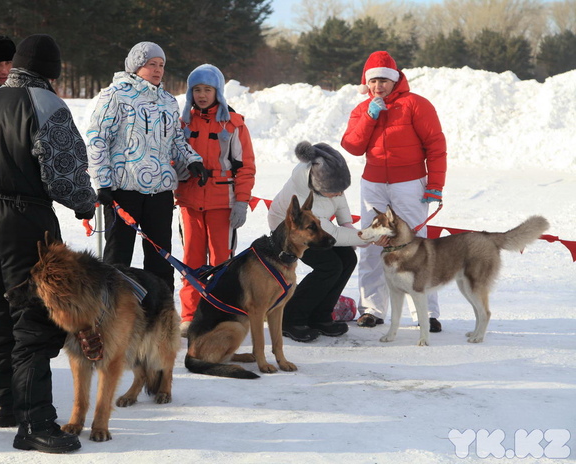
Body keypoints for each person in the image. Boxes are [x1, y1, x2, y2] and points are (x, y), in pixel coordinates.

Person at [0, 34, 96, 453]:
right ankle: (34, 422)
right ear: (52, 72)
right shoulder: (47, 104)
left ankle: (5, 404)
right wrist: (85, 203)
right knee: (34, 319)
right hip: (25, 219)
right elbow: (65, 172)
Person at [86, 41, 207, 291]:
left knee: (160, 258)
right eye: (151, 64)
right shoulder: (115, 94)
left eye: (161, 65)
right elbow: (97, 139)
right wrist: (103, 182)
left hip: (160, 191)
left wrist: (193, 160)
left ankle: (160, 315)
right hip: (122, 190)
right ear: (136, 66)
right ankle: (111, 315)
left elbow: (176, 139)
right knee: (118, 258)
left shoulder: (167, 100)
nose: (157, 70)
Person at [341, 50, 447, 332]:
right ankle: (372, 309)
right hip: (373, 184)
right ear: (367, 83)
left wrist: (435, 185)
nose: (379, 86)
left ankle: (425, 311)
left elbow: (435, 145)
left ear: (395, 80)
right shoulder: (362, 109)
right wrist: (370, 117)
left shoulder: (416, 104)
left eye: (384, 81)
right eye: (373, 81)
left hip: (409, 184)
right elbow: (351, 146)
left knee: (416, 246)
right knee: (371, 244)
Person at [175, 64, 256, 336]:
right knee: (191, 262)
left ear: (217, 92)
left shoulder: (234, 124)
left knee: (223, 262)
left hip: (224, 203)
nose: (201, 95)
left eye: (207, 89)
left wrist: (242, 202)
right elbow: (172, 158)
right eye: (196, 89)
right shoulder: (182, 123)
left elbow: (246, 167)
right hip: (189, 203)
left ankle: (221, 315)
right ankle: (190, 316)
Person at [268, 141, 371, 343]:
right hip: (290, 231)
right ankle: (291, 319)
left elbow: (339, 202)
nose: (341, 193)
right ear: (319, 188)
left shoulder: (327, 182)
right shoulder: (303, 194)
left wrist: (349, 224)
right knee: (329, 266)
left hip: (315, 227)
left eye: (342, 189)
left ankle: (321, 316)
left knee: (348, 259)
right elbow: (330, 233)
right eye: (336, 190)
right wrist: (364, 237)